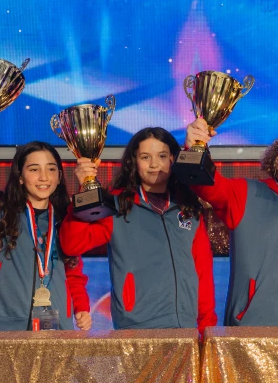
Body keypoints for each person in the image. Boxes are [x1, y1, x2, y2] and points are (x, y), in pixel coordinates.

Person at [0, 100, 91, 331]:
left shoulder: (66, 217)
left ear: (60, 177)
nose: (44, 177)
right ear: (20, 177)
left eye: (51, 169)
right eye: (34, 169)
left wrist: (80, 306)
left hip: (56, 327)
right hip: (3, 326)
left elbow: (72, 271)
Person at [59, 127, 217, 334]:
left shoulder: (188, 207)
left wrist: (206, 328)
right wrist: (84, 195)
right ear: (134, 161)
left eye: (162, 156)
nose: (154, 164)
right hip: (136, 327)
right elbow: (72, 244)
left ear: (172, 159)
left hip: (185, 327)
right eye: (145, 157)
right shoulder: (117, 205)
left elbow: (203, 272)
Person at [185, 118, 278, 326]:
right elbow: (207, 186)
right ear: (277, 161)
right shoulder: (246, 194)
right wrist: (195, 149)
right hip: (251, 329)